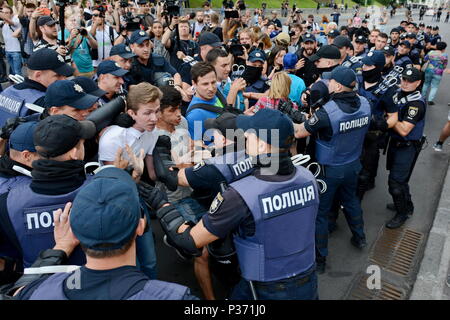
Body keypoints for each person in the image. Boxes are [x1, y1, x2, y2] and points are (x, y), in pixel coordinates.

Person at [156, 108, 320, 300]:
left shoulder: (241, 195)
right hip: (308, 276)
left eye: (249, 135)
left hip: (266, 287)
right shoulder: (308, 177)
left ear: (261, 145)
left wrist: (162, 207)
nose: (244, 137)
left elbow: (190, 241)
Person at [12, 167, 198, 300]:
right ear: (140, 227)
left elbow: (17, 292)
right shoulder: (175, 296)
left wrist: (61, 246)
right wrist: (164, 206)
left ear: (74, 231)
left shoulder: (36, 291)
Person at [294, 66, 371, 273]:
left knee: (321, 214)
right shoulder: (365, 103)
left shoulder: (327, 112)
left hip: (329, 170)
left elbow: (301, 133)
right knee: (352, 201)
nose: (327, 83)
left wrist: (290, 119)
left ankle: (320, 259)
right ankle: (360, 237)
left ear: (337, 85)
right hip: (353, 164)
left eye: (330, 81)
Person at [0, 115, 96, 269]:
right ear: (74, 153)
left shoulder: (7, 202)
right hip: (100, 284)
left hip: (36, 288)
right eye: (83, 143)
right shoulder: (106, 188)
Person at [385, 68, 426, 229]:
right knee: (401, 180)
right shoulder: (399, 92)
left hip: (407, 146)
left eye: (410, 81)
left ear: (418, 83)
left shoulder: (416, 104)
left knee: (395, 183)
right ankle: (407, 204)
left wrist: (390, 116)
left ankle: (402, 213)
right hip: (396, 144)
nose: (405, 83)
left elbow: (404, 129)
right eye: (404, 79)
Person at [356, 51, 398, 200]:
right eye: (364, 63)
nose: (364, 67)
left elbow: (394, 117)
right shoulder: (356, 80)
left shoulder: (387, 89)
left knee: (365, 173)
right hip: (351, 132)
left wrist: (383, 125)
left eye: (369, 65)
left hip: (371, 136)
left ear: (378, 67)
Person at [0, 48, 74, 126]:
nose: (64, 79)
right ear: (38, 75)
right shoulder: (45, 102)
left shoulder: (7, 91)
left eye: (64, 75)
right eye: (57, 75)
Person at [0, 6, 23, 76]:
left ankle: (20, 86)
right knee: (13, 72)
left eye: (6, 13)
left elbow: (11, 22)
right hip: (7, 51)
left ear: (11, 14)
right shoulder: (2, 23)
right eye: (3, 13)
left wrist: (3, 17)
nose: (4, 14)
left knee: (17, 73)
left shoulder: (15, 21)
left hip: (16, 51)